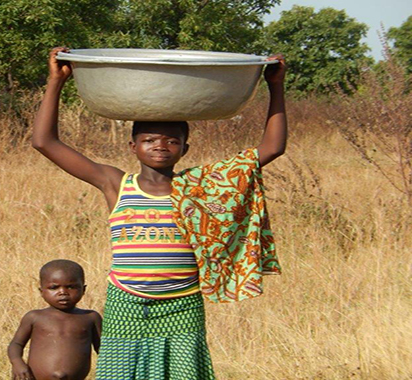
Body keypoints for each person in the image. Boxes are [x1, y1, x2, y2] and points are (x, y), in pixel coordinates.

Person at [31, 46, 287, 379]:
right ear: (133, 146)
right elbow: (44, 142)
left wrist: (275, 86)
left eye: (171, 141)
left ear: (185, 148)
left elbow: (272, 148)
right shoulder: (115, 184)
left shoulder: (201, 185)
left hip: (182, 302)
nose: (160, 147)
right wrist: (56, 82)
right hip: (127, 301)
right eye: (150, 140)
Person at [8, 259, 102, 380]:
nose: (63, 292)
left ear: (83, 290)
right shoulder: (34, 317)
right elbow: (16, 344)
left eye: (71, 287)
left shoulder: (90, 317)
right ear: (41, 291)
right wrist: (17, 363)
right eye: (54, 287)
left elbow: (103, 349)